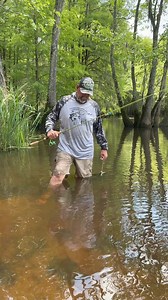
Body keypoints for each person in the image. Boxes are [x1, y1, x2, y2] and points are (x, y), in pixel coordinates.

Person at [45, 77, 108, 188]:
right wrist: (50, 130)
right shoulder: (64, 101)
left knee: (83, 182)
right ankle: (47, 199)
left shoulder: (94, 106)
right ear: (77, 88)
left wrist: (104, 147)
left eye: (88, 94)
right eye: (83, 93)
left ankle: (78, 203)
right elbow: (51, 117)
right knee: (58, 176)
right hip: (66, 148)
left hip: (85, 150)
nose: (85, 96)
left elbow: (99, 128)